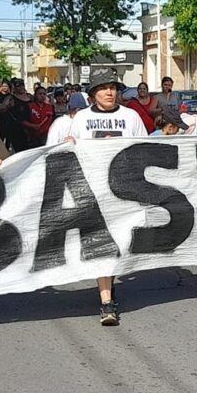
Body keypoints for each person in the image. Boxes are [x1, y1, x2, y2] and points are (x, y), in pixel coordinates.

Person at [61, 73, 147, 325]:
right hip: (93, 190)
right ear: (93, 94)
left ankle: (108, 282)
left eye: (113, 88)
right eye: (103, 89)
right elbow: (70, 150)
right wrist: (69, 144)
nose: (109, 93)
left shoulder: (130, 117)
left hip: (123, 191)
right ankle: (106, 301)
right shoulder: (83, 119)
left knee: (121, 241)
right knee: (101, 244)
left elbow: (144, 147)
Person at [0, 78, 33, 153]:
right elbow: (1, 110)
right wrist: (7, 106)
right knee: (19, 149)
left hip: (30, 125)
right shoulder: (10, 98)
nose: (21, 88)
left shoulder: (30, 97)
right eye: (18, 86)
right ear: (14, 87)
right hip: (16, 127)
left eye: (22, 85)